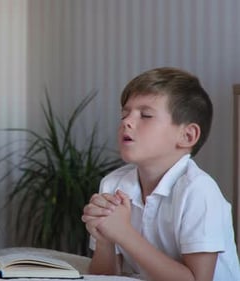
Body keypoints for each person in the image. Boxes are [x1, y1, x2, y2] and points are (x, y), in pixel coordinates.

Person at [82, 67, 240, 280]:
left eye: (145, 115)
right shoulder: (113, 183)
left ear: (187, 135)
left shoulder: (199, 190)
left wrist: (123, 233)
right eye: (124, 114)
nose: (126, 122)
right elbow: (106, 276)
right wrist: (105, 240)